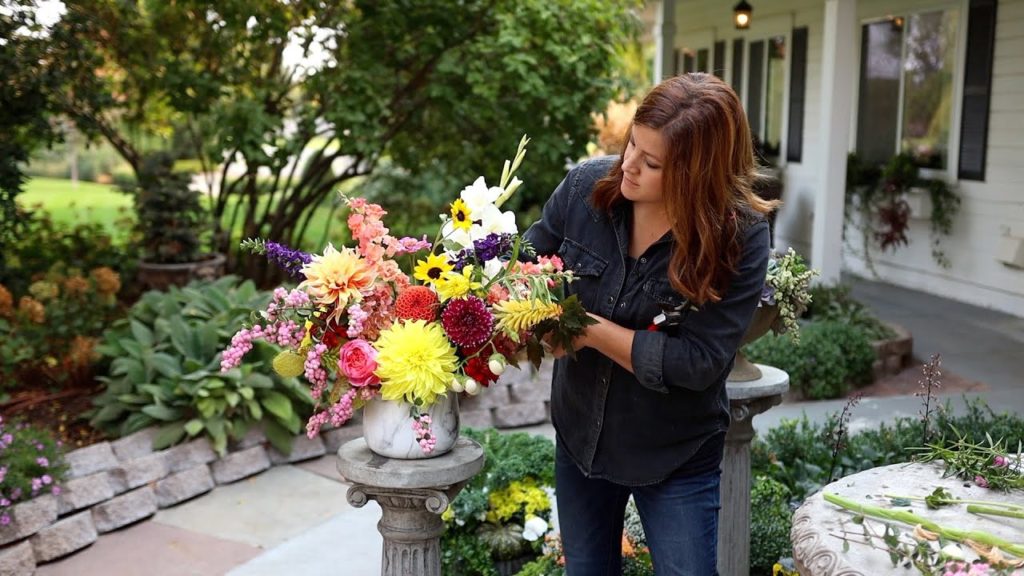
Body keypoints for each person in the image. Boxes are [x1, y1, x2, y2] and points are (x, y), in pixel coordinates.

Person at [524, 73, 778, 575]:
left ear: (696, 176)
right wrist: (529, 321)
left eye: (653, 162)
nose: (629, 167)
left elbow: (699, 362)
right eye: (632, 145)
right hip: (582, 441)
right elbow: (525, 265)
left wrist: (588, 329)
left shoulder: (739, 236)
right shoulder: (583, 190)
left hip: (675, 454)